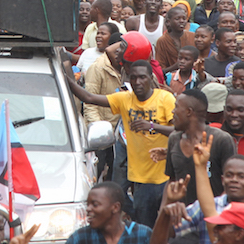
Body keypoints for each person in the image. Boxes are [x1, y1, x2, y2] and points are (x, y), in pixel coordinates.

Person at [63, 59, 175, 227]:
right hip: (141, 179)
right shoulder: (124, 99)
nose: (137, 82)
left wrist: (151, 126)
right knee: (145, 227)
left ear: (151, 77)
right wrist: (65, 76)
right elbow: (88, 97)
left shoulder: (165, 98)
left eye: (142, 77)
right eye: (133, 78)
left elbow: (179, 130)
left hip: (166, 177)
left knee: (170, 227)